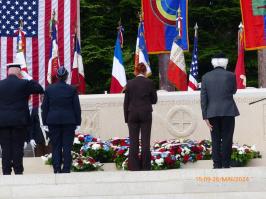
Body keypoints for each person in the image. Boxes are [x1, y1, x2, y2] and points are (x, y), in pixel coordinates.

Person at [0, 63, 44, 175]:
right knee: (18, 148)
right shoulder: (24, 83)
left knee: (5, 148)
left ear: (8, 72)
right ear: (19, 73)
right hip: (19, 122)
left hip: (2, 122)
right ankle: (18, 171)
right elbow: (39, 88)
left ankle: (6, 172)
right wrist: (28, 77)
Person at [200, 53, 240, 169]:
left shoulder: (205, 77)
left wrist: (205, 116)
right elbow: (234, 91)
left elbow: (203, 99)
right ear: (225, 62)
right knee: (227, 138)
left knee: (215, 139)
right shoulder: (231, 75)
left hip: (211, 113)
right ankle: (226, 164)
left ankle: (216, 164)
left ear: (213, 62)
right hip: (228, 111)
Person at [42, 66, 81, 173]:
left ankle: (57, 169)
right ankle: (66, 169)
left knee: (56, 146)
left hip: (53, 121)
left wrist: (44, 121)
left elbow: (45, 107)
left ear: (57, 77)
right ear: (67, 77)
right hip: (69, 121)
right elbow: (76, 108)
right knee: (67, 146)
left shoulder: (49, 89)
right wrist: (78, 122)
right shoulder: (72, 89)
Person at [123, 62, 157, 171]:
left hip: (132, 114)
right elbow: (154, 100)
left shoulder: (130, 83)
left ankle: (134, 167)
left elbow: (126, 102)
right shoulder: (150, 82)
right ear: (145, 71)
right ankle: (146, 166)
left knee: (134, 141)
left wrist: (126, 118)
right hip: (145, 113)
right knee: (145, 141)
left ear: (136, 71)